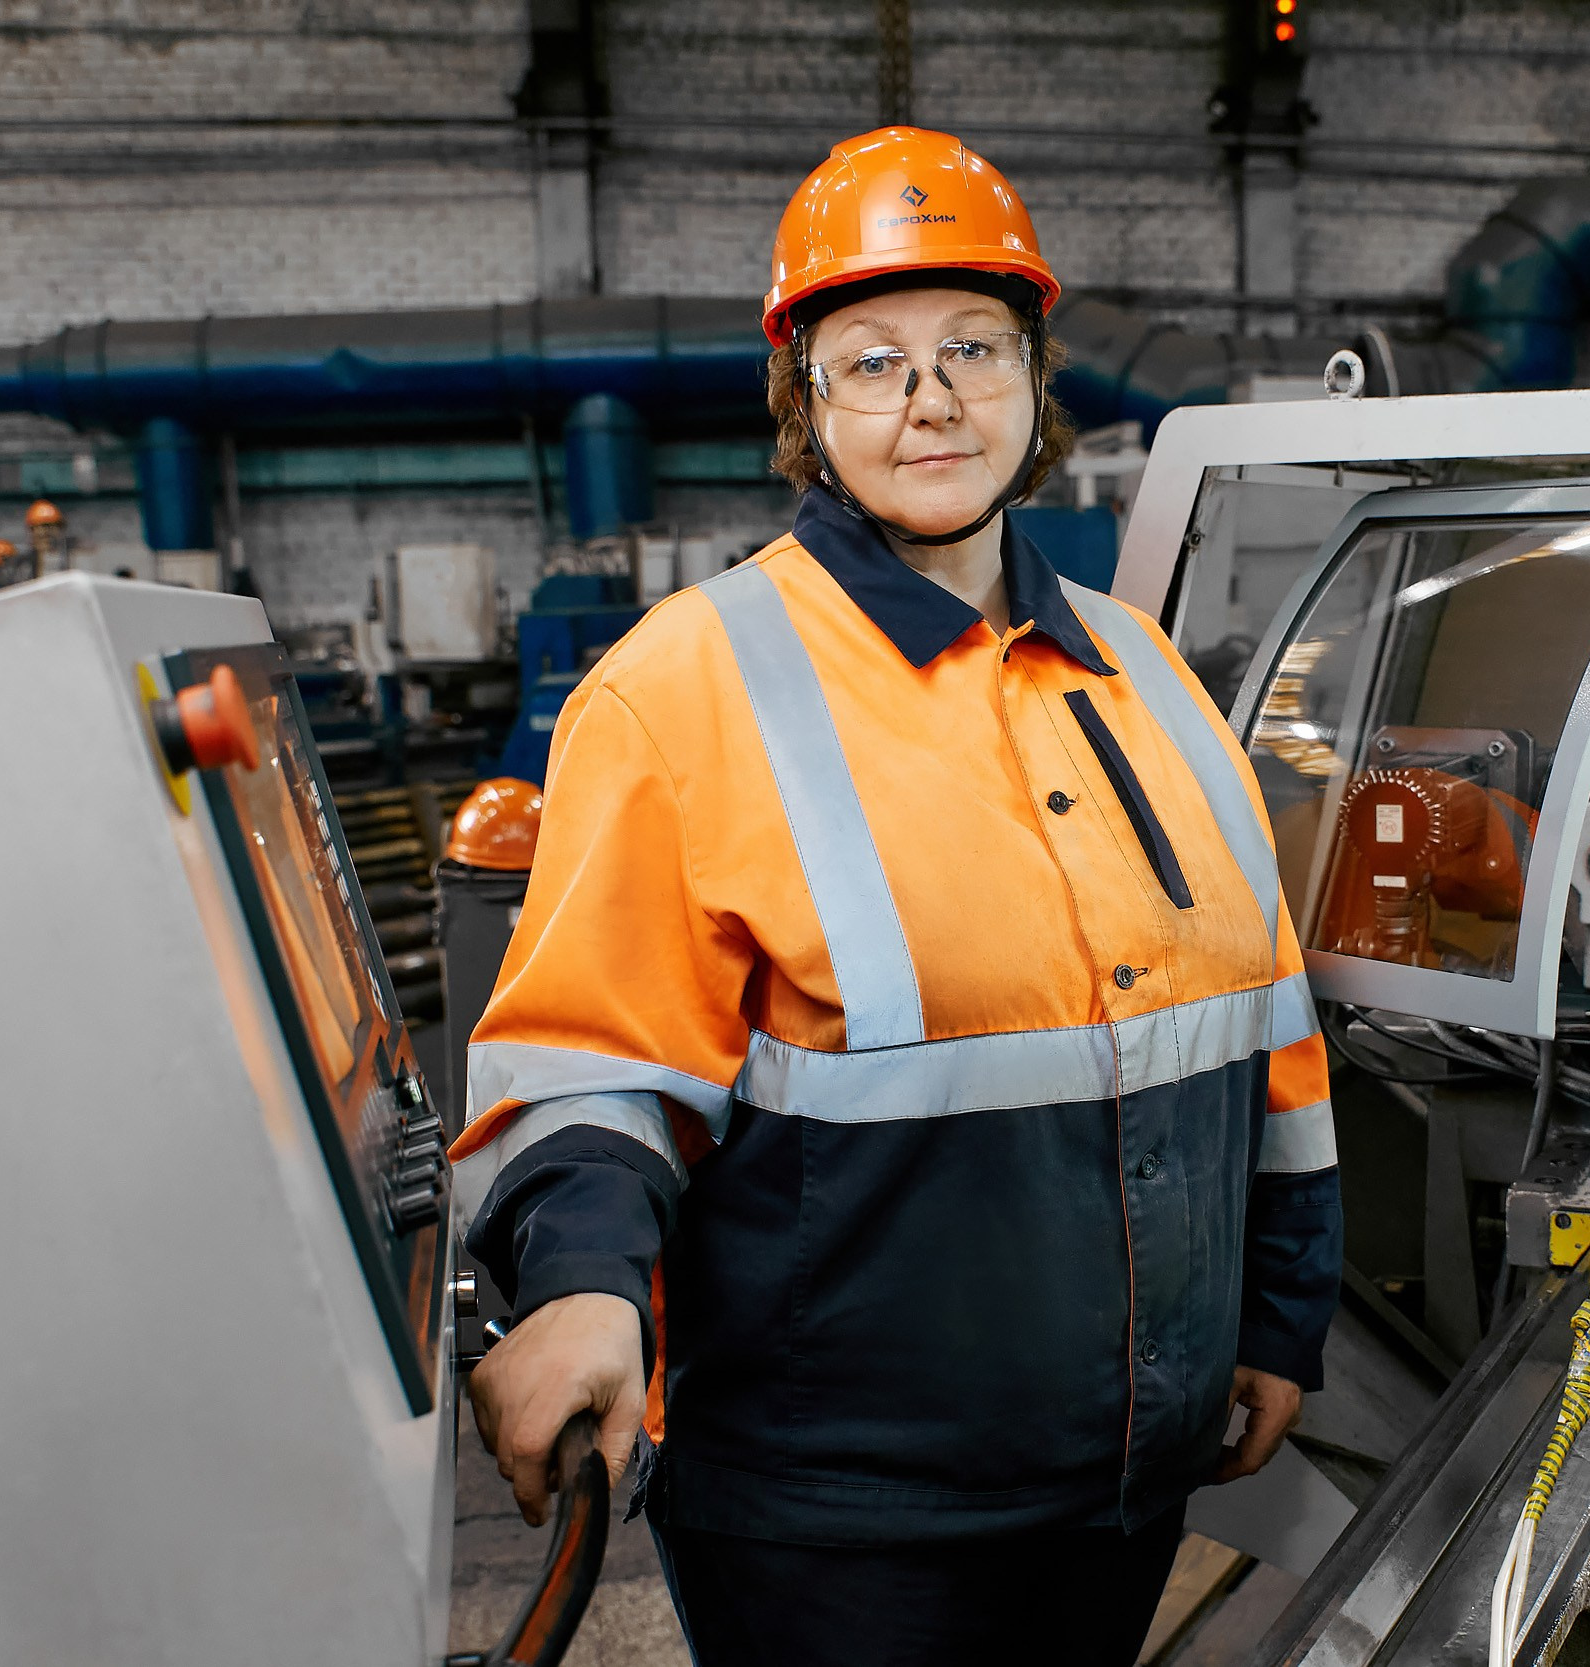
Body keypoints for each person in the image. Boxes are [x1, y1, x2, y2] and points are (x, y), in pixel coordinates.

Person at [451, 126, 1341, 1667]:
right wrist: (584, 1287)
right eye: (872, 362)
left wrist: (1278, 1318)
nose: (931, 400)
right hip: (839, 1525)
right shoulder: (685, 688)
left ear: (1035, 378)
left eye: (971, 348)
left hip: (1133, 1477)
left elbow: (1270, 1036)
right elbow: (592, 1064)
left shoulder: (1152, 678)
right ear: (806, 403)